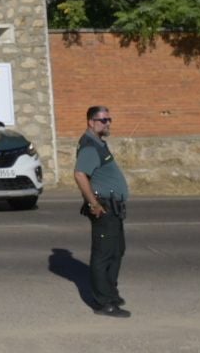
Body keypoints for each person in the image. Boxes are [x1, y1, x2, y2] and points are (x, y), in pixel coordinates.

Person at [74, 105, 130, 318]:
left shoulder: (97, 143)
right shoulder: (90, 145)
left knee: (116, 250)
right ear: (91, 122)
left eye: (109, 119)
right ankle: (103, 303)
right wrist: (94, 203)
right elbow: (80, 174)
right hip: (104, 207)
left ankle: (111, 293)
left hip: (113, 206)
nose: (107, 123)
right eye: (103, 120)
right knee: (103, 255)